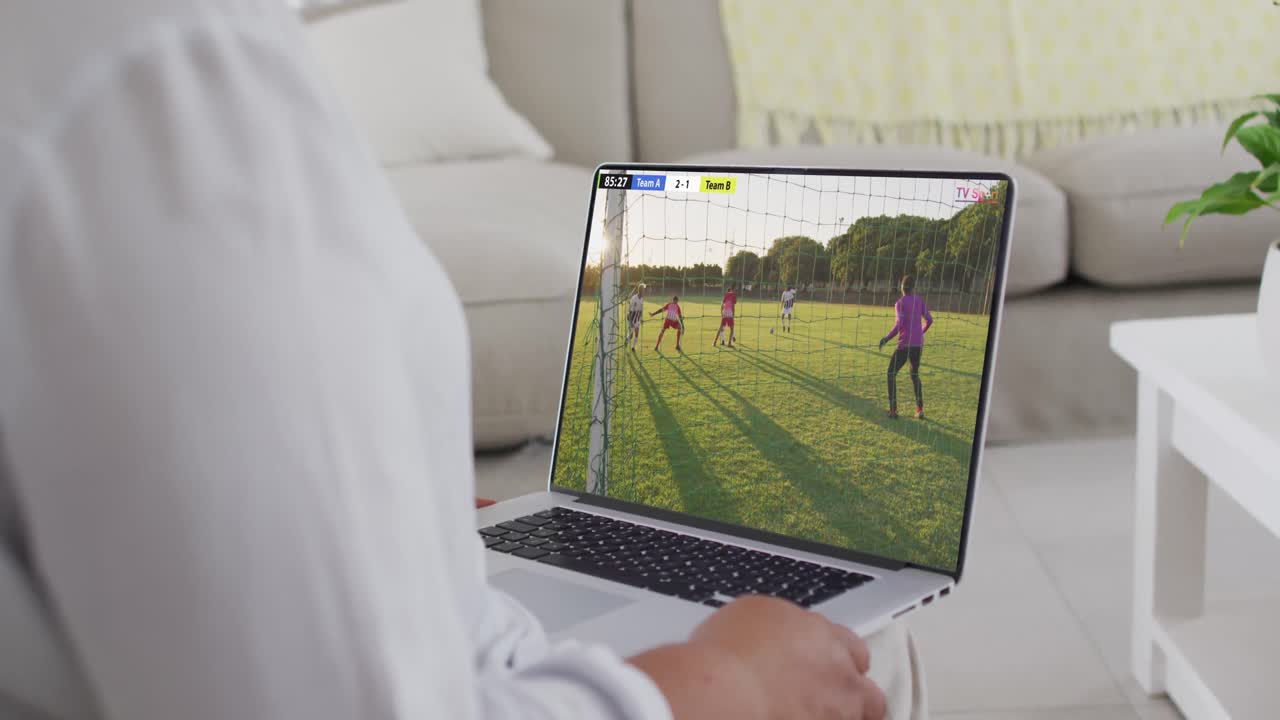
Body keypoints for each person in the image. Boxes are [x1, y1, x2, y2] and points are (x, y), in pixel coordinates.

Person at [0, 2, 914, 719]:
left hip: (461, 630)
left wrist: (421, 520)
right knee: (872, 657)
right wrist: (722, 691)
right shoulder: (167, 66)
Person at [879, 276, 934, 419]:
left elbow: (899, 324)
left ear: (902, 288)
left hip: (904, 345)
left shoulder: (900, 303)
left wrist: (886, 338)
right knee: (914, 375)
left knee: (891, 373)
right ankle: (920, 409)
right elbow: (929, 320)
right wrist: (920, 332)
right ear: (913, 288)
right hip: (917, 345)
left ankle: (893, 410)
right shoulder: (919, 301)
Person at [626, 284, 645, 350]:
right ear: (640, 291)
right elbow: (630, 311)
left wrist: (641, 319)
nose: (644, 291)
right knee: (631, 335)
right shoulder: (634, 298)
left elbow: (641, 309)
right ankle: (627, 340)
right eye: (643, 290)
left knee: (637, 333)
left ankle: (633, 347)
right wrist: (631, 322)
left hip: (637, 318)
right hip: (631, 317)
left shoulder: (642, 298)